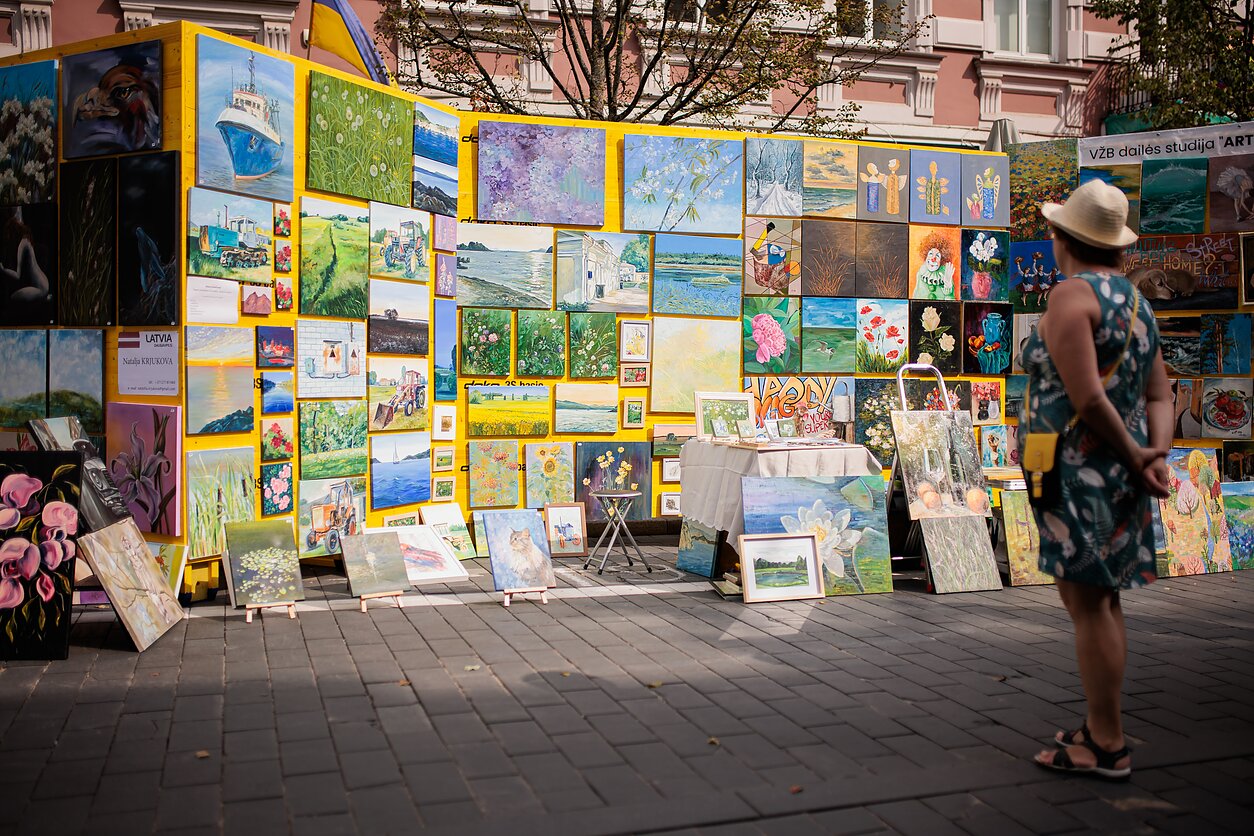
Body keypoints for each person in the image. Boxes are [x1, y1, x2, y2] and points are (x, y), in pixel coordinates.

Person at [1018, 179, 1173, 781]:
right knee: (1102, 601)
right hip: (1119, 471)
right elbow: (1159, 392)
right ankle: (1099, 723)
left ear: (1064, 239)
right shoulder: (1136, 303)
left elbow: (1086, 398)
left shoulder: (1070, 297)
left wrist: (1138, 455)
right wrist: (1153, 452)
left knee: (1088, 605)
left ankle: (1106, 742)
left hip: (1078, 472)